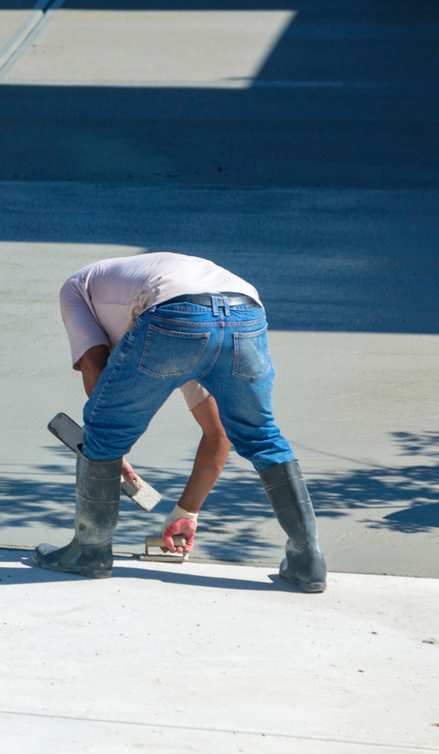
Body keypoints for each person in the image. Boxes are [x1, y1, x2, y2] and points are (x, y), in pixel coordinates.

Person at [37, 252, 326, 593]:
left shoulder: (76, 288)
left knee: (103, 431)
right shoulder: (169, 327)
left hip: (174, 315)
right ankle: (308, 560)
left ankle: (90, 553)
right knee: (261, 435)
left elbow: (95, 371)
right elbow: (218, 435)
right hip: (244, 313)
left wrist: (108, 452)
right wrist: (186, 512)